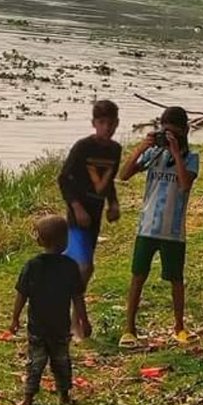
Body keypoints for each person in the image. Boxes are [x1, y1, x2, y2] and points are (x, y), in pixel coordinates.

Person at [119, 106, 199, 346]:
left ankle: (179, 326)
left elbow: (185, 184)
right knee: (138, 276)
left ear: (185, 131)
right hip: (147, 226)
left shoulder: (191, 158)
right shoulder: (153, 154)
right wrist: (142, 148)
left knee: (176, 279)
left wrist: (175, 152)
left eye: (174, 134)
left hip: (173, 230)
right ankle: (129, 328)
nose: (168, 138)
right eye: (165, 133)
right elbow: (124, 174)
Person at [11, 214, 90, 405]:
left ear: (41, 241)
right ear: (65, 241)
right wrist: (84, 321)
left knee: (35, 364)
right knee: (62, 363)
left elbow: (21, 295)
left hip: (38, 328)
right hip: (60, 328)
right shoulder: (70, 267)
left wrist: (14, 319)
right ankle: (64, 395)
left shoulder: (32, 266)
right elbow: (78, 298)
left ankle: (28, 399)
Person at [58, 98, 121, 331]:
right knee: (86, 267)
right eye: (102, 122)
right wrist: (76, 207)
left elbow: (109, 180)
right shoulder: (83, 147)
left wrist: (112, 204)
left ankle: (69, 307)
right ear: (94, 123)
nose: (107, 128)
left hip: (95, 215)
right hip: (79, 215)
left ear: (117, 123)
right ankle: (77, 317)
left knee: (79, 266)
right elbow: (64, 179)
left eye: (111, 123)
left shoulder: (115, 149)